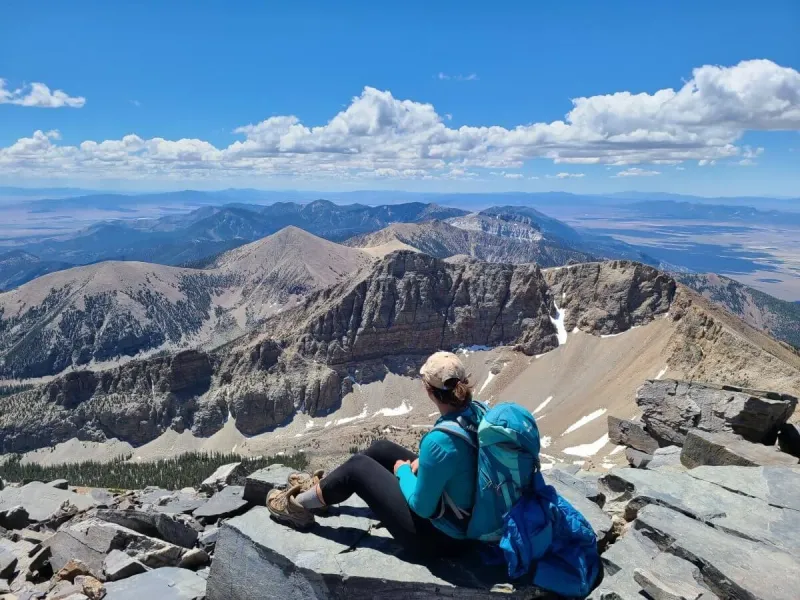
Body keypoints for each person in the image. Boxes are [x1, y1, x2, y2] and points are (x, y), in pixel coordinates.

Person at [266, 350, 479, 557]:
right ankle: (324, 492)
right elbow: (459, 460)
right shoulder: (476, 412)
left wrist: (404, 472)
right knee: (381, 448)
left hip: (439, 540)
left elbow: (421, 507)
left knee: (357, 467)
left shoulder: (439, 443)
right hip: (462, 517)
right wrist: (424, 463)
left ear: (429, 390)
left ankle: (296, 507)